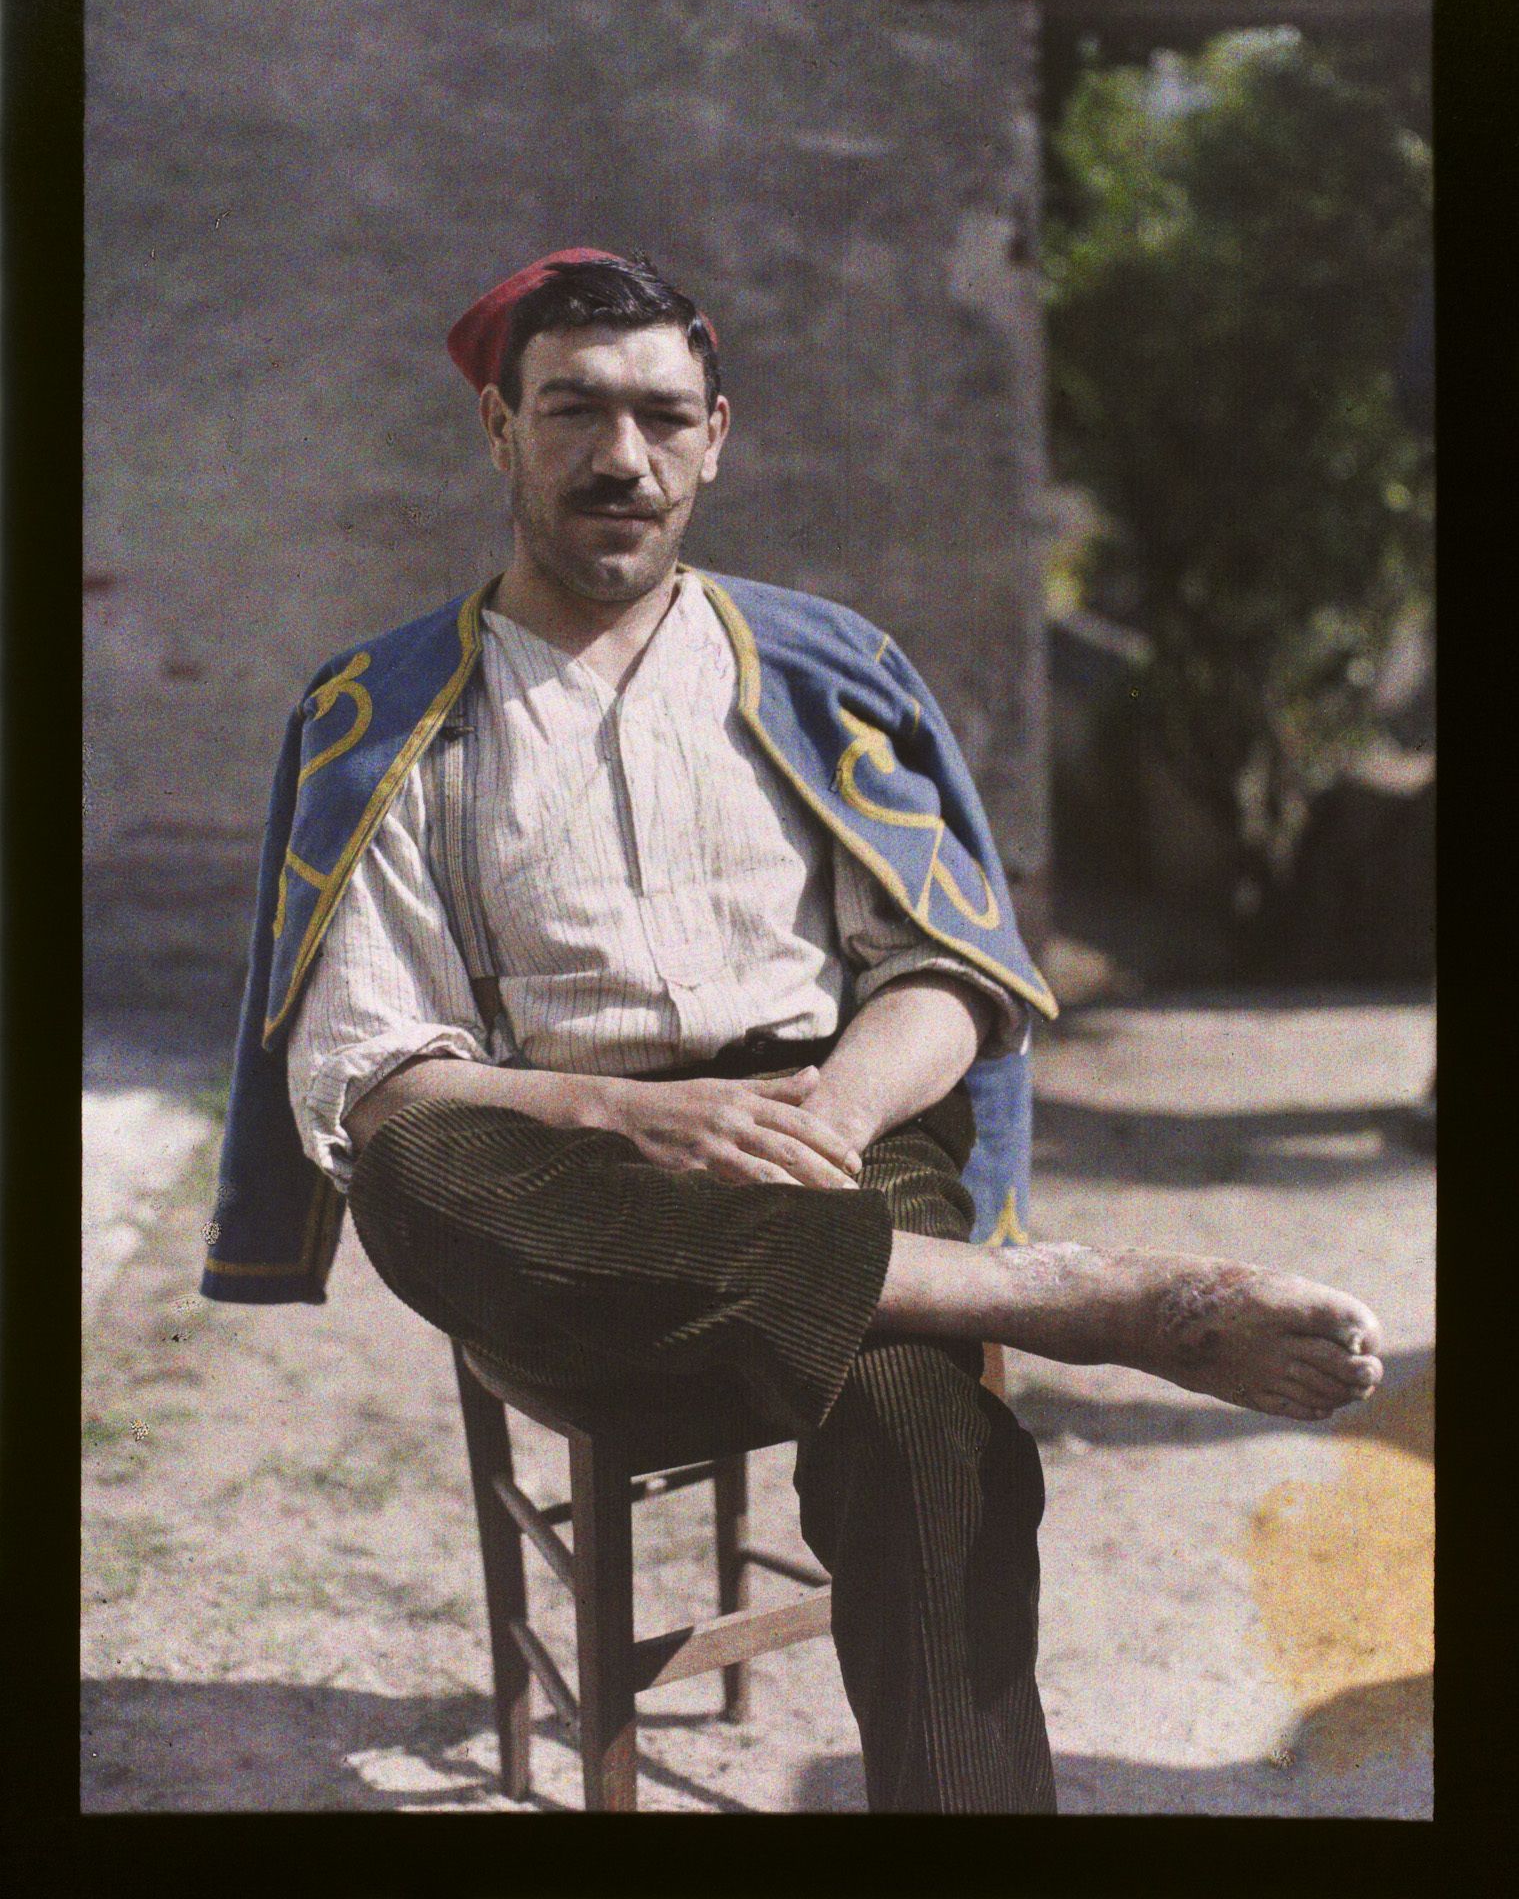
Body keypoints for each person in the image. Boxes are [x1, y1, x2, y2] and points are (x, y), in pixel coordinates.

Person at [203, 250, 1384, 1814]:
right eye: (572, 411)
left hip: (836, 1132)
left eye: (660, 416)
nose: (620, 457)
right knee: (419, 1178)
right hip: (564, 1171)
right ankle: (1070, 1300)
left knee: (933, 1443)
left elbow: (949, 971)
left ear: (716, 438)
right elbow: (373, 1074)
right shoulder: (395, 714)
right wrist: (637, 1116)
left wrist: (822, 1120)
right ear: (500, 429)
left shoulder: (824, 673)